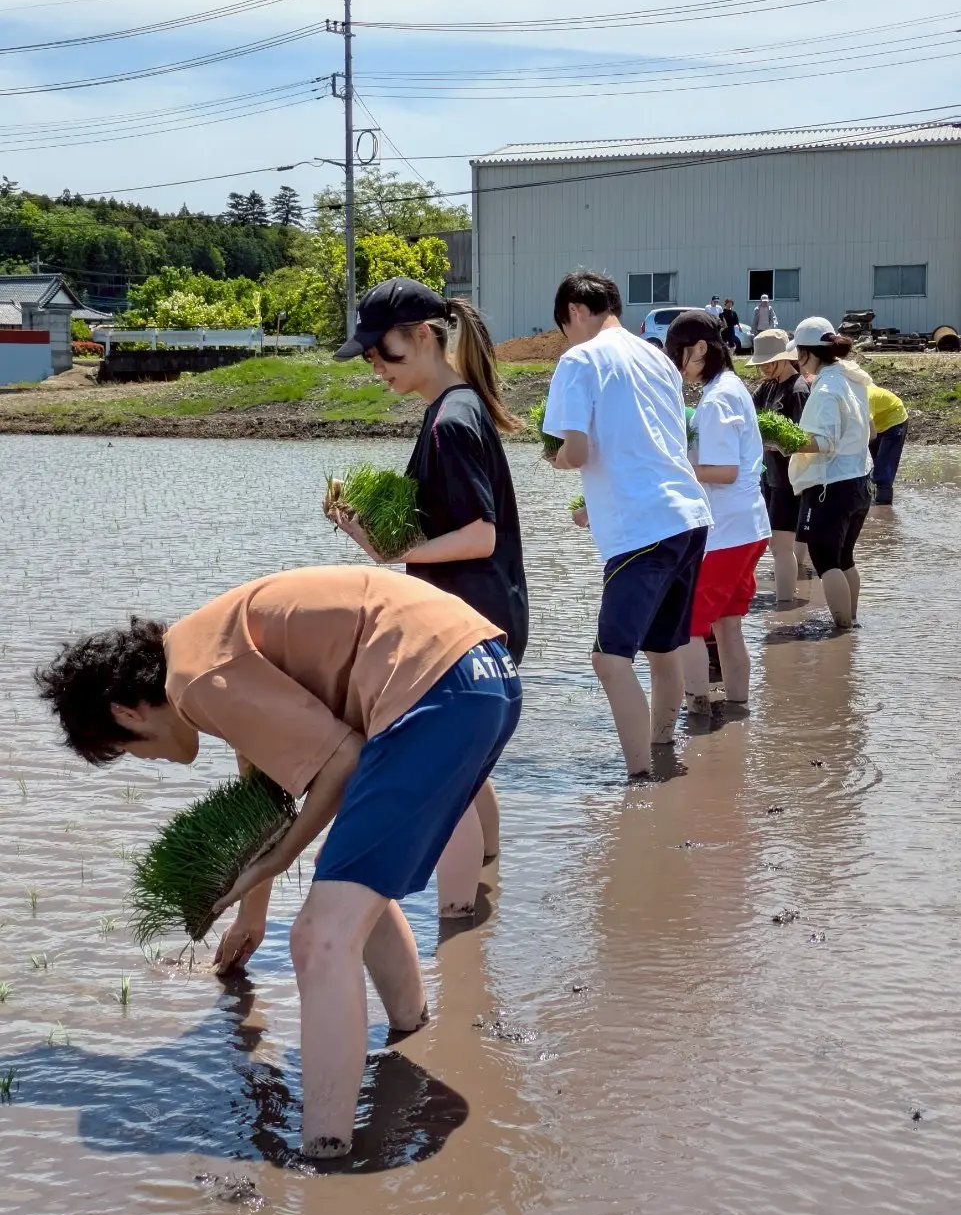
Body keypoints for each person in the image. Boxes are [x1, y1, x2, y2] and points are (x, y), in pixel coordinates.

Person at [34, 566, 523, 1159]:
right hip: (483, 673)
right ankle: (410, 1026)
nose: (153, 762)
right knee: (347, 879)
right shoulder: (201, 646)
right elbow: (268, 789)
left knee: (319, 937)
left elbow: (340, 764)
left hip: (434, 691)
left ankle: (324, 1149)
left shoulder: (196, 679)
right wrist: (250, 915)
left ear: (127, 713)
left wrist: (275, 861)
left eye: (128, 752)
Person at [328, 277, 528, 899]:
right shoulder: (454, 408)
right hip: (485, 621)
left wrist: (394, 553)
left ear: (422, 337)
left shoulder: (450, 422)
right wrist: (375, 537)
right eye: (366, 357)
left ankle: (457, 925)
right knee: (466, 769)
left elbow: (479, 535)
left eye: (382, 352)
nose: (375, 368)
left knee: (443, 782)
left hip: (466, 628)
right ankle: (486, 882)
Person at [542, 270, 712, 778]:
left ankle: (640, 778)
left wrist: (556, 460)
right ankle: (662, 749)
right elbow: (658, 441)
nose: (565, 338)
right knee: (664, 649)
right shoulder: (657, 356)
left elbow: (574, 450)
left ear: (575, 311)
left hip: (641, 529)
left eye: (563, 326)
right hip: (688, 517)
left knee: (610, 660)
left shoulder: (579, 358)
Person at [665, 312, 770, 714]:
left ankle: (697, 712)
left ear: (701, 350)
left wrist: (675, 468)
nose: (678, 365)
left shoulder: (717, 398)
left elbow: (724, 472)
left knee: (688, 627)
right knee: (727, 624)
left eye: (680, 354)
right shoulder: (732, 387)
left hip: (726, 531)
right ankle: (738, 708)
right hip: (749, 526)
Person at [786, 317, 872, 629]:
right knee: (845, 557)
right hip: (859, 480)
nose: (797, 361)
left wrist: (785, 442)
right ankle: (851, 623)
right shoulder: (851, 378)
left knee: (825, 560)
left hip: (831, 486)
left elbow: (823, 441)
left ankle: (842, 629)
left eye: (797, 355)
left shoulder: (825, 389)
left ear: (807, 354)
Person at [748, 329, 810, 601]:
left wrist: (777, 443)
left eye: (767, 362)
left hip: (789, 480)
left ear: (784, 359)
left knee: (780, 545)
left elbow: (804, 439)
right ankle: (792, 595)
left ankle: (785, 605)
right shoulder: (767, 387)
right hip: (770, 476)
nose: (762, 368)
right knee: (778, 543)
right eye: (760, 363)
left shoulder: (798, 390)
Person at [866, 381, 908, 504]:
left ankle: (883, 504)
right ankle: (873, 499)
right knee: (872, 463)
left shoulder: (863, 401)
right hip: (878, 419)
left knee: (884, 467)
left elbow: (871, 434)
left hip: (895, 420)